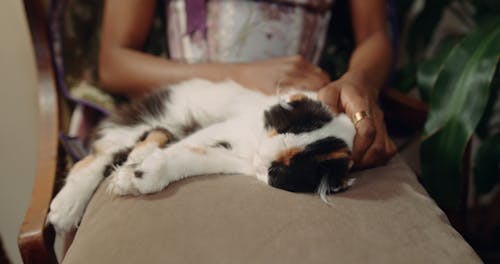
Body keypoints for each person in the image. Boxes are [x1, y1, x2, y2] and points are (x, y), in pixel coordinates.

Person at [98, 0, 396, 169]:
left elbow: (374, 35)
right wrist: (238, 75)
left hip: (294, 127)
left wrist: (360, 81)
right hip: (179, 120)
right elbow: (114, 63)